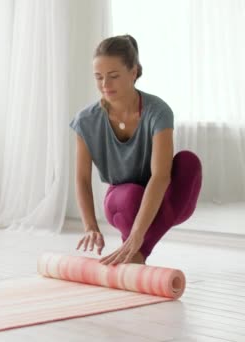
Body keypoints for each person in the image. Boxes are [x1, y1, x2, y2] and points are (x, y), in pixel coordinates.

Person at [70, 35, 202, 265]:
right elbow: (82, 179)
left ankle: (136, 253)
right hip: (122, 201)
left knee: (189, 162)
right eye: (98, 77)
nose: (104, 85)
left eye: (113, 76)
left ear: (134, 72)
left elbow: (161, 177)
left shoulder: (158, 112)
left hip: (161, 197)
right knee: (132, 195)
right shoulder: (86, 121)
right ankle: (135, 254)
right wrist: (90, 227)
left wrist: (138, 236)